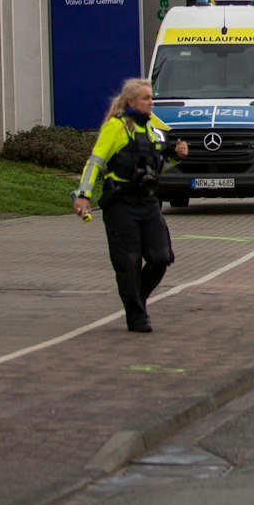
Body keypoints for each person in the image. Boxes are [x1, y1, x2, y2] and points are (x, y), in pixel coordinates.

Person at [73, 78, 189, 332]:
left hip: (147, 202)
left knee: (160, 256)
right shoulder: (115, 128)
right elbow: (95, 162)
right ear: (130, 102)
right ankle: (136, 315)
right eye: (146, 98)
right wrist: (84, 195)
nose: (151, 103)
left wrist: (175, 157)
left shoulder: (149, 129)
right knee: (128, 262)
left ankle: (138, 298)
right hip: (121, 204)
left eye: (151, 98)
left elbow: (157, 168)